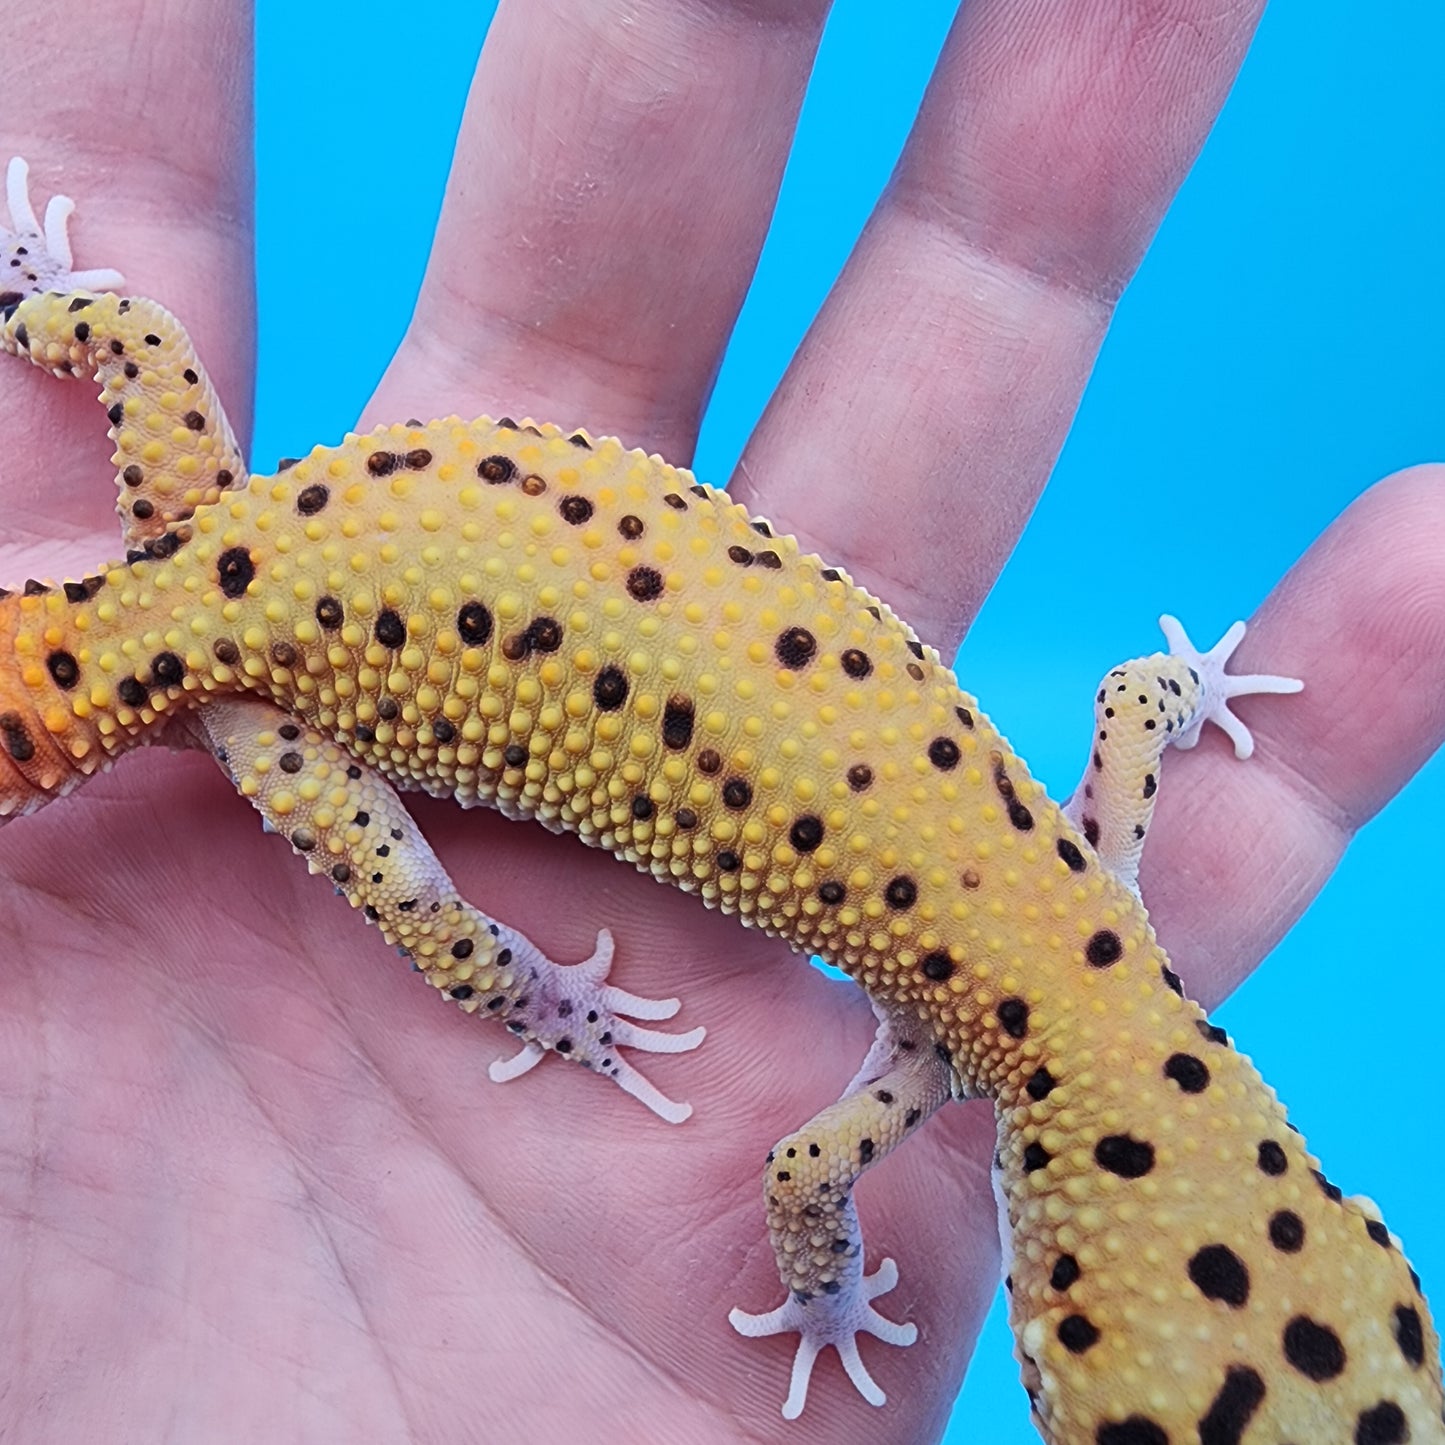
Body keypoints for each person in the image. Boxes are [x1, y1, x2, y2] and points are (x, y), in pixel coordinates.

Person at [1, 2, 1440, 1440]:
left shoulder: (1104, 860)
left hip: (356, 570)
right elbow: (797, 1180)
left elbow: (1134, 692)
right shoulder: (930, 1066)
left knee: (121, 330)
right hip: (279, 653)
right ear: (1043, 1310)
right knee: (444, 925)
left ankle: (26, 300)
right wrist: (540, 1006)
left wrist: (1189, 689)